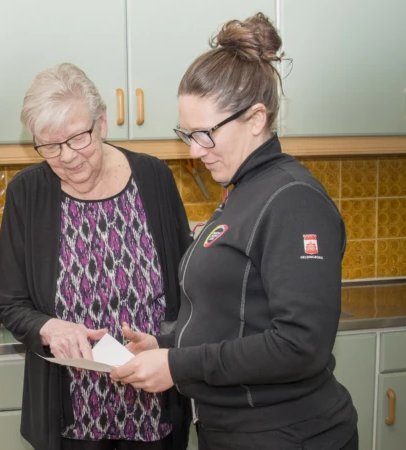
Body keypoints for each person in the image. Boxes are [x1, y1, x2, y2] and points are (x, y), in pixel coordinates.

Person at [110, 13, 358, 450]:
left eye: (204, 134)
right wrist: (164, 344)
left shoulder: (293, 201)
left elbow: (301, 344)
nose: (192, 150)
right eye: (187, 134)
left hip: (287, 434)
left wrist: (178, 364)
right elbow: (235, 313)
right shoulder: (242, 192)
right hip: (232, 431)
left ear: (256, 118)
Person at [0, 63, 192, 450]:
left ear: (102, 123)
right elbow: (10, 303)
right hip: (70, 414)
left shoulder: (154, 178)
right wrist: (49, 327)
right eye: (49, 145)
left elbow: (188, 289)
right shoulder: (26, 194)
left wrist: (169, 343)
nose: (67, 156)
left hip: (153, 403)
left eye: (78, 138)